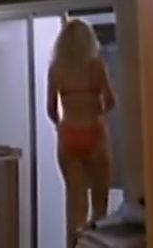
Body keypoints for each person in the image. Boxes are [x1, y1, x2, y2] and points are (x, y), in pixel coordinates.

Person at [47, 19, 116, 247]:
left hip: (69, 135)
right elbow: (111, 101)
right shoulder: (96, 65)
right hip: (94, 132)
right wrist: (96, 112)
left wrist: (61, 126)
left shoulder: (56, 69)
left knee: (75, 207)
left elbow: (50, 109)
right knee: (100, 206)